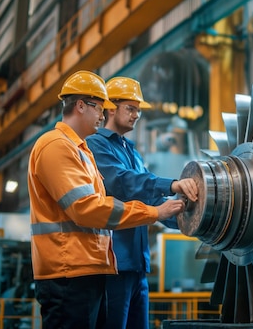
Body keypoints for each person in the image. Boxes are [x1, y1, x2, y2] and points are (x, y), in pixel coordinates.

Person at [27, 70, 187, 329]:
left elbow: (147, 197)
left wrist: (189, 217)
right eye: (100, 107)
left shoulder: (84, 151)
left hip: (94, 267)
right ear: (80, 105)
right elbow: (87, 207)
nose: (103, 113)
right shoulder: (58, 146)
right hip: (69, 269)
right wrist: (161, 203)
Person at [86, 76, 198, 329]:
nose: (137, 115)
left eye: (138, 110)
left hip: (137, 266)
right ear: (110, 108)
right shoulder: (96, 145)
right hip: (113, 263)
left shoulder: (132, 152)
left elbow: (153, 199)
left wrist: (194, 219)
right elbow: (121, 181)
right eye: (131, 108)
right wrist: (171, 184)